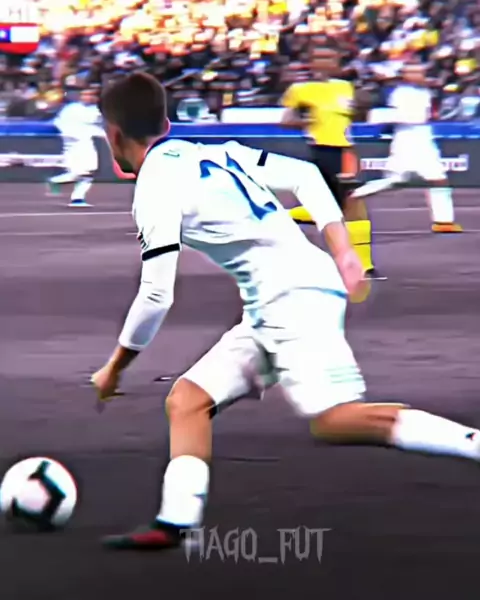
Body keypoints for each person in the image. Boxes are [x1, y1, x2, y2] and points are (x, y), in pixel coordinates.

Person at [92, 73, 480, 551]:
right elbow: (306, 176)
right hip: (278, 297)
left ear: (113, 135)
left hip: (291, 297)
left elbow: (156, 295)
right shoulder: (214, 152)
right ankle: (176, 523)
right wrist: (343, 250)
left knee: (335, 420)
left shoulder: (154, 188)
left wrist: (115, 368)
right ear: (167, 123)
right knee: (188, 399)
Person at [280, 47, 381, 277]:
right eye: (320, 58)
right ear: (312, 62)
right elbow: (286, 121)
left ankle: (365, 264)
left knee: (353, 204)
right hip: (323, 150)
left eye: (330, 57)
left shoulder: (346, 87)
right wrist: (306, 119)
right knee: (341, 206)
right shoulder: (301, 90)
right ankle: (288, 216)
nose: (325, 62)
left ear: (337, 61)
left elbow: (358, 117)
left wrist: (362, 107)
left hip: (346, 150)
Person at [352, 64, 462, 234]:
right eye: (414, 72)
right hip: (406, 139)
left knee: (438, 178)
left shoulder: (425, 92)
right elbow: (402, 116)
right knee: (396, 180)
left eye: (420, 72)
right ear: (405, 75)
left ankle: (443, 221)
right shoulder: (400, 93)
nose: (420, 75)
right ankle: (352, 196)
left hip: (423, 137)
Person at [46, 88, 101, 207]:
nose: (88, 97)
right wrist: (70, 135)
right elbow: (59, 123)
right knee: (79, 172)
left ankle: (78, 199)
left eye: (91, 95)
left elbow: (99, 127)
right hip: (74, 143)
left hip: (88, 141)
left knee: (90, 173)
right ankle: (55, 181)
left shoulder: (97, 110)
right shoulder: (71, 109)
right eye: (85, 94)